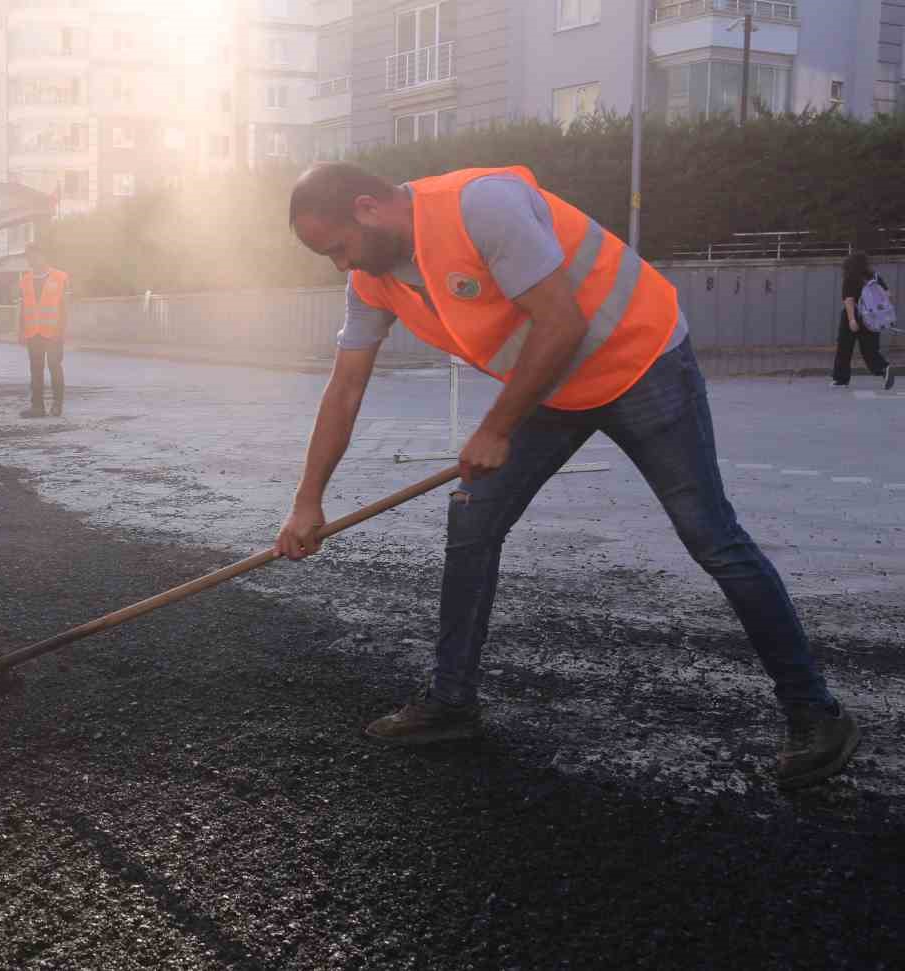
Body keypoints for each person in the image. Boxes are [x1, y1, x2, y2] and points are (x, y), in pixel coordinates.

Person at [276, 161, 858, 790]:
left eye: (337, 248)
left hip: (639, 362)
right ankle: (451, 703)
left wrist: (496, 428)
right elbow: (345, 387)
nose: (340, 265)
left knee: (710, 536)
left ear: (367, 207)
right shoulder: (373, 279)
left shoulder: (480, 207)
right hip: (548, 387)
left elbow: (562, 321)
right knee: (473, 521)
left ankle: (815, 711)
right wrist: (308, 501)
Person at [18, 242, 69, 418]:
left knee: (54, 367)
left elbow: (64, 307)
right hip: (33, 333)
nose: (31, 259)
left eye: (34, 255)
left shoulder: (60, 277)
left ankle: (57, 405)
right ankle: (37, 407)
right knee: (36, 369)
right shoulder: (25, 280)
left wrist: (61, 331)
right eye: (28, 256)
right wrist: (21, 331)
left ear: (43, 256)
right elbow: (24, 307)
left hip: (53, 332)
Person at [832, 251, 894, 389]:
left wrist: (851, 320)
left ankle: (841, 379)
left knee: (844, 348)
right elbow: (888, 296)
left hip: (855, 315)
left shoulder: (850, 278)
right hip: (872, 318)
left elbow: (849, 300)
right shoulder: (875, 277)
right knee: (870, 350)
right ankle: (884, 368)